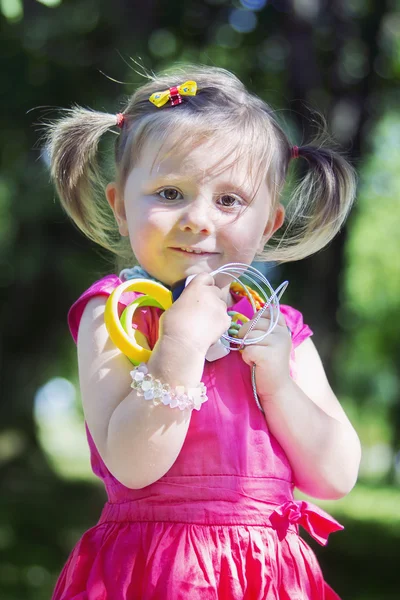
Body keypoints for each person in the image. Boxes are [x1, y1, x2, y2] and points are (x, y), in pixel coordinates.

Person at [46, 65, 361, 600]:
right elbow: (134, 465)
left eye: (229, 200)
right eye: (170, 193)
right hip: (153, 571)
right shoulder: (114, 313)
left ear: (268, 224)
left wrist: (279, 382)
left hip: (266, 575)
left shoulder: (279, 329)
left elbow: (335, 475)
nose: (198, 219)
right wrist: (181, 345)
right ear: (121, 206)